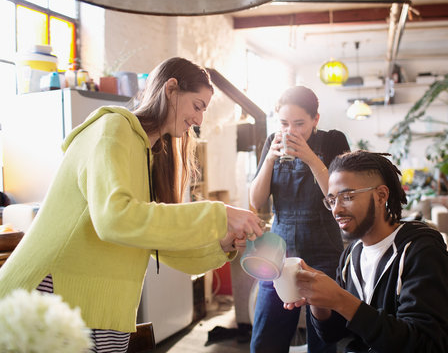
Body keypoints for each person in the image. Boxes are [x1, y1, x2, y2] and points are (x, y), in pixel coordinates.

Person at [0, 57, 264, 352]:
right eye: (197, 106)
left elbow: (162, 246)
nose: (199, 120)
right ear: (171, 89)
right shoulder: (113, 128)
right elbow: (114, 218)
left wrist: (222, 243)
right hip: (50, 295)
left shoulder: (148, 153)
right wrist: (220, 213)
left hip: (101, 309)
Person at [284, 150, 448, 352]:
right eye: (332, 200)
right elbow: (334, 334)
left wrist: (340, 299)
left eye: (348, 197)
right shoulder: (351, 256)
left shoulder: (422, 253)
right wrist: (318, 301)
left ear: (381, 196)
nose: (336, 210)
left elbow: (425, 344)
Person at [249, 86, 350, 353]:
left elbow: (339, 199)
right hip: (278, 252)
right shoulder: (273, 140)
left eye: (300, 123)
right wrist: (270, 159)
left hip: (324, 251)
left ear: (316, 119)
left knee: (324, 341)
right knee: (265, 340)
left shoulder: (333, 142)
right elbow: (256, 201)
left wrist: (310, 157)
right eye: (284, 123)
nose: (291, 130)